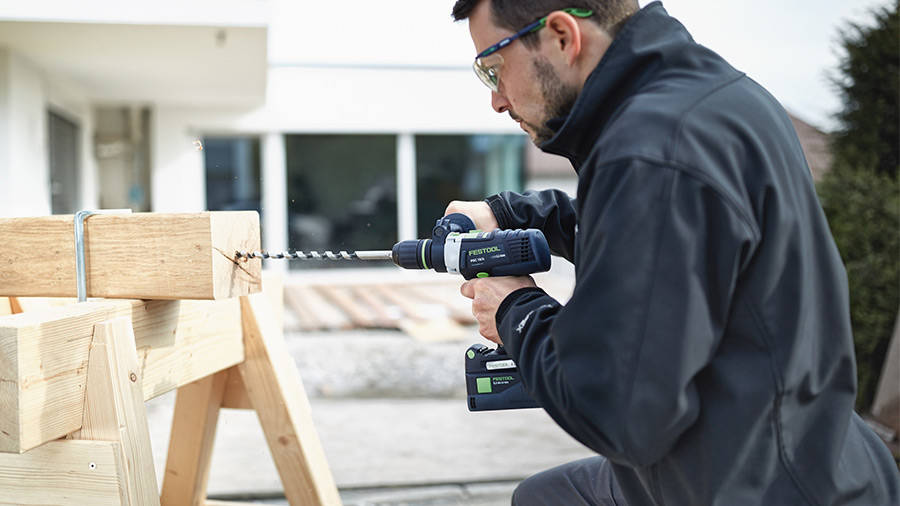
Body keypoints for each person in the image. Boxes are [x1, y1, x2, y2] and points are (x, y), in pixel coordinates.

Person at [446, 1, 900, 505]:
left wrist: (515, 310)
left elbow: (616, 412)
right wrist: (511, 214)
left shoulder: (651, 148)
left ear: (560, 36)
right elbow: (659, 236)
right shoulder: (709, 97)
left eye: (492, 67)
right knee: (548, 495)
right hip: (812, 448)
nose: (497, 101)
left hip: (758, 486)